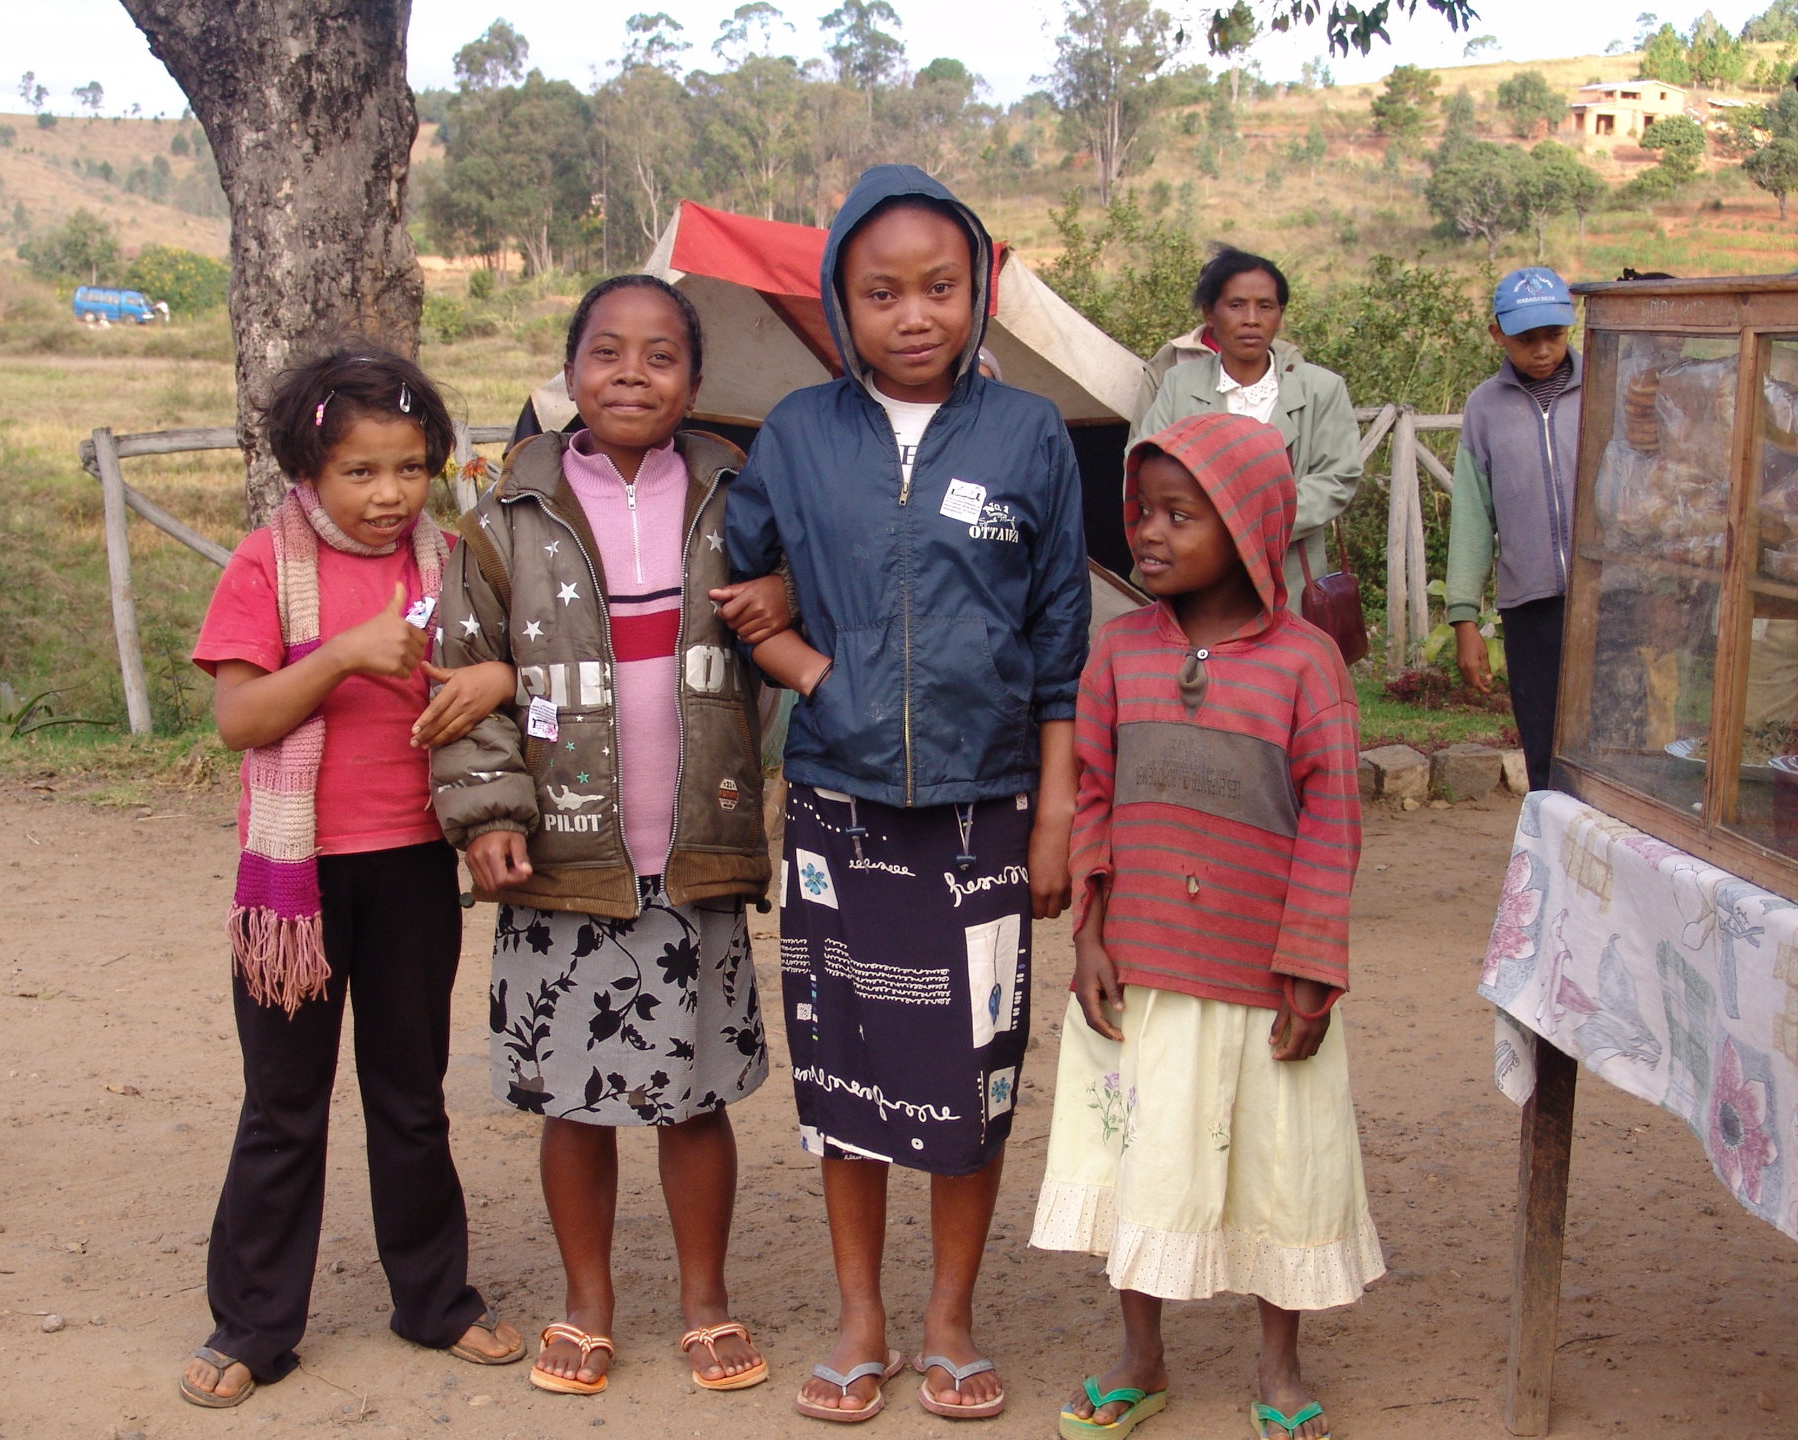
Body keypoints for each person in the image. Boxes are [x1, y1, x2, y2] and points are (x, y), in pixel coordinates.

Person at [723, 164, 1091, 1423]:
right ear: (839, 300)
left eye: (940, 286)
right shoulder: (795, 433)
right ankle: (861, 1316)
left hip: (988, 809)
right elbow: (741, 584)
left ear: (979, 289)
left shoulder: (1029, 433)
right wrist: (807, 664)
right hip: (839, 805)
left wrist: (1055, 813)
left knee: (972, 1073)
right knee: (851, 1074)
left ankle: (948, 1317)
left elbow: (1058, 641)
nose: (914, 314)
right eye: (882, 292)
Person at [426, 274, 784, 1397]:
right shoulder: (505, 513)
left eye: (662, 355)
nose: (634, 374)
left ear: (693, 378)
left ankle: (706, 1302)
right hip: (563, 857)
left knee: (697, 1096)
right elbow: (457, 680)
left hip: (694, 847)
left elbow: (795, 623)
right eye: (608, 352)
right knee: (573, 1104)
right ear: (569, 370)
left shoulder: (741, 497)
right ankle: (586, 1304)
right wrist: (486, 811)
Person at [181, 349, 526, 1409]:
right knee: (284, 1104)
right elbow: (241, 718)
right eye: (361, 473)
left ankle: (436, 1302)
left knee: (409, 1099)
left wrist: (495, 675)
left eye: (411, 469)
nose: (390, 496)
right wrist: (339, 655)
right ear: (308, 469)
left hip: (415, 867)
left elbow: (519, 660)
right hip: (294, 889)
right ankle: (252, 1325)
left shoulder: (454, 559)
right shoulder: (264, 563)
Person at [1032, 411, 1381, 1440]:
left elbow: (1333, 819)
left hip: (1267, 977)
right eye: (1142, 512)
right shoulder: (1119, 652)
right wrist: (1089, 933)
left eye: (1179, 515)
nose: (1147, 532)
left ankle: (1279, 1364)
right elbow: (1093, 795)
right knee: (1142, 1159)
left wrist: (1313, 960)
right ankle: (1141, 1356)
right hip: (1142, 973)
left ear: (1249, 522)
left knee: (1284, 1164)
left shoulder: (1306, 664)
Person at [1133, 249, 1362, 614]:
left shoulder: (1322, 388)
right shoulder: (1178, 384)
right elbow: (1142, 462)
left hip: (1289, 581)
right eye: (1237, 305)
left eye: (1265, 306)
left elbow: (1337, 478)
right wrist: (1200, 529)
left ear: (1280, 315)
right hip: (1195, 580)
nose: (1251, 320)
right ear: (1210, 314)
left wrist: (1250, 526)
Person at [1445, 266, 1581, 792]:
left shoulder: (1604, 386)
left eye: (1554, 335)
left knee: (1616, 745)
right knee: (1544, 750)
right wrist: (1463, 617)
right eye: (1527, 339)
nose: (1543, 350)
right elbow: (1473, 515)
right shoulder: (1484, 407)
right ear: (1497, 335)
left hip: (1609, 601)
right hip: (1531, 605)